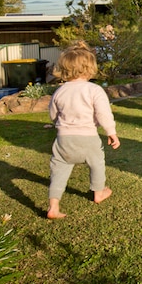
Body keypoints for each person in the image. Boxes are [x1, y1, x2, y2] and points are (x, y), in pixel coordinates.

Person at [47, 41, 120, 219]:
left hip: (64, 139)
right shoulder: (94, 90)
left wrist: (59, 123)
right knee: (97, 163)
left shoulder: (60, 91)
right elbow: (103, 114)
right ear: (90, 68)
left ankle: (53, 205)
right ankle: (99, 191)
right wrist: (111, 132)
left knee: (59, 169)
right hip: (88, 137)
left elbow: (52, 113)